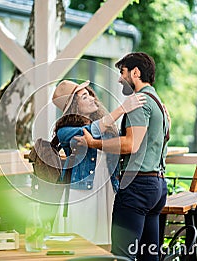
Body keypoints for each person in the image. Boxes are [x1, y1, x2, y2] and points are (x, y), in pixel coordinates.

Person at [74, 52, 170, 260]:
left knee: (122, 256)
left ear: (136, 72)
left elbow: (130, 144)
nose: (119, 78)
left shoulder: (138, 101)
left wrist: (94, 143)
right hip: (157, 187)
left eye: (122, 72)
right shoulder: (157, 102)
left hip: (137, 187)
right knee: (148, 256)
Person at [50, 79, 146, 245]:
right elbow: (91, 131)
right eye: (85, 97)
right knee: (81, 245)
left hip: (106, 189)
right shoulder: (65, 132)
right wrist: (122, 109)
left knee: (105, 245)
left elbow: (120, 144)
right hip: (81, 194)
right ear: (74, 106)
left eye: (90, 94)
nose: (92, 99)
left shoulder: (105, 126)